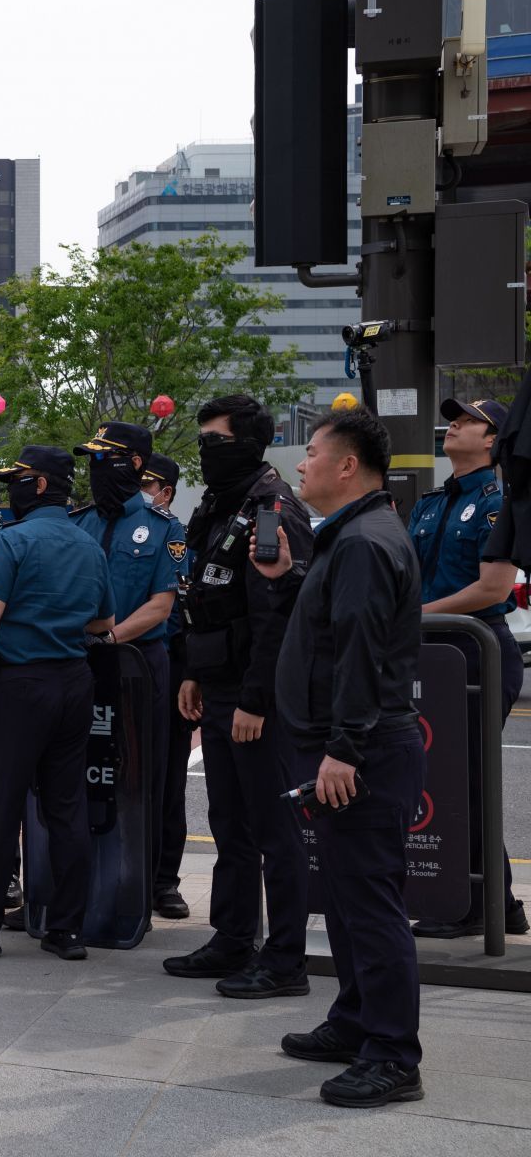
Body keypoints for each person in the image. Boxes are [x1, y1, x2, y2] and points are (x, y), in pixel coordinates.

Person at [255, 408, 427, 1108]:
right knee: (351, 899)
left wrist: (342, 750)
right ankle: (357, 1020)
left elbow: (361, 655)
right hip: (351, 746)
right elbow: (333, 629)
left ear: (347, 465)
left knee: (371, 902)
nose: (301, 465)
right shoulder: (351, 537)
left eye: (313, 453)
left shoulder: (362, 542)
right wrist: (292, 578)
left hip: (362, 751)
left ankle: (392, 1054)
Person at [0, 446, 115, 961]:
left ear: (37, 486)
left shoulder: (13, 541)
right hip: (75, 681)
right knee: (67, 809)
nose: (10, 490)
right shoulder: (88, 546)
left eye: (17, 482)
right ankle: (68, 930)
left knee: (1, 807)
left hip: (21, 685)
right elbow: (103, 623)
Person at [167, 394, 314, 998]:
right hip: (220, 683)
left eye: (216, 441)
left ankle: (285, 960)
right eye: (201, 440)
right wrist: (196, 673)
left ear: (251, 443)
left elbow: (278, 618)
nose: (205, 451)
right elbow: (207, 600)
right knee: (230, 823)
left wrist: (254, 700)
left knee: (274, 831)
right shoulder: (219, 505)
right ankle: (232, 937)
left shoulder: (272, 509)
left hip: (260, 696)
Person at [409, 398, 529, 938]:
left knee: (468, 779)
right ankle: (495, 903)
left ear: (492, 439)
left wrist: (412, 615)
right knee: (444, 777)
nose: (452, 424)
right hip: (430, 652)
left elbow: (493, 588)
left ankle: (480, 907)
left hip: (476, 650)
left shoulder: (498, 501)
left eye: (468, 420)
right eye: (452, 417)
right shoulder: (429, 504)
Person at [69, 422, 188, 921]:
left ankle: (156, 880)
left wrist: (109, 639)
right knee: (77, 769)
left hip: (140, 665)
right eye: (91, 461)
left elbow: (162, 605)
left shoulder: (165, 529)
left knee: (149, 773)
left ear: (136, 464)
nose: (96, 471)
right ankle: (76, 878)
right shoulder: (79, 523)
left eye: (106, 460)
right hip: (79, 664)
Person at [142, 452, 196, 920]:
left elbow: (183, 615)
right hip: (114, 666)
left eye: (148, 485)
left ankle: (164, 880)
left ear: (167, 493)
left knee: (167, 780)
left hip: (167, 668)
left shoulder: (177, 539)